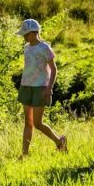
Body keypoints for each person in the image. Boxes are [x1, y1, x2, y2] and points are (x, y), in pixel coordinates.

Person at [16, 18, 67, 156]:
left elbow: (53, 68)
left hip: (40, 88)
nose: (24, 38)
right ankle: (24, 154)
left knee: (38, 123)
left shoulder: (45, 48)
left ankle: (59, 142)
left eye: (26, 35)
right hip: (26, 87)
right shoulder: (26, 48)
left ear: (33, 33)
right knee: (28, 123)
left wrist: (49, 87)